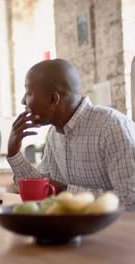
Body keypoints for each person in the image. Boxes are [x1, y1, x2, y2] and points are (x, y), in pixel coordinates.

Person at [7, 58, 135, 210]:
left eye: (28, 92)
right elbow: (42, 190)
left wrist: (65, 190)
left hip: (117, 231)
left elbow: (130, 199)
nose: (23, 101)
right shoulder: (54, 134)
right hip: (75, 229)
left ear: (54, 99)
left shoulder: (112, 128)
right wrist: (14, 152)